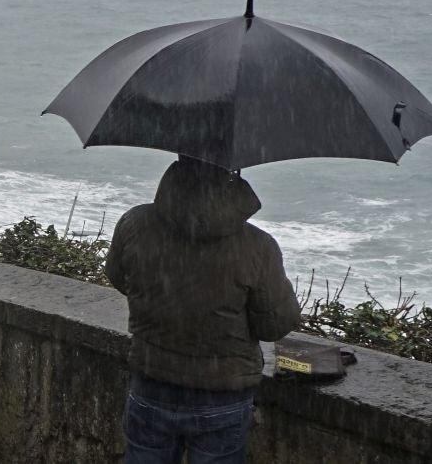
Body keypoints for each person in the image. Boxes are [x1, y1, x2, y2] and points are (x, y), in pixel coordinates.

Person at [104, 155, 302, 464]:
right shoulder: (258, 246)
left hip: (151, 381)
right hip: (222, 393)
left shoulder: (135, 223)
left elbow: (118, 277)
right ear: (233, 176)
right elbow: (275, 324)